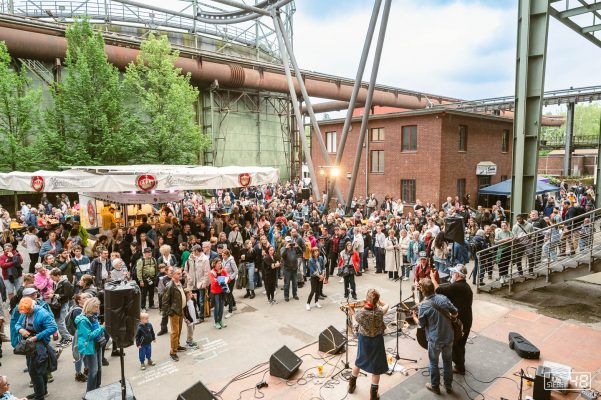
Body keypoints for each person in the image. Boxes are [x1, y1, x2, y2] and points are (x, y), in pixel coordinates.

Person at [412, 278, 458, 395]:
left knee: (433, 363)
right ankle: (448, 386)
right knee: (447, 362)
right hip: (448, 336)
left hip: (434, 339)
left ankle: (435, 387)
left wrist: (415, 318)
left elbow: (421, 325)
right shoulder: (443, 298)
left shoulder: (423, 306)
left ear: (423, 292)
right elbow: (455, 312)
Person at [347, 289, 389, 400]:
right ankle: (373, 396)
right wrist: (380, 302)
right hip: (377, 340)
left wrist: (351, 308)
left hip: (364, 340)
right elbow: (387, 305)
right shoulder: (380, 311)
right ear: (377, 300)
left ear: (367, 299)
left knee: (359, 361)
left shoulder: (361, 313)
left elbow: (355, 316)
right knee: (376, 367)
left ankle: (351, 386)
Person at [431, 264, 473, 376]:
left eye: (453, 272)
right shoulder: (465, 287)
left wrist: (432, 278)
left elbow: (438, 290)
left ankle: (460, 367)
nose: (452, 274)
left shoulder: (457, 286)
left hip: (460, 323)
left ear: (458, 274)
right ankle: (460, 365)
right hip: (467, 319)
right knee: (461, 344)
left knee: (456, 345)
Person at [15, 297, 58, 400]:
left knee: (34, 371)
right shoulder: (24, 311)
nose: (25, 314)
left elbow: (53, 328)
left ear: (32, 306)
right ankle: (42, 392)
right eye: (24, 312)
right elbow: (17, 324)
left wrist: (36, 337)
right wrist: (21, 330)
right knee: (40, 369)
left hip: (40, 344)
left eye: (27, 312)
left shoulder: (42, 313)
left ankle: (39, 396)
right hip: (29, 344)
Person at [75, 297, 105, 394]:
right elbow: (88, 336)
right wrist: (101, 328)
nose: (97, 309)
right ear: (90, 307)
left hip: (97, 343)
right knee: (93, 370)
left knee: (99, 367)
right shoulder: (82, 321)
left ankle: (97, 387)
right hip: (90, 346)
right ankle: (90, 392)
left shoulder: (93, 315)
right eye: (96, 307)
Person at [161, 268, 186, 361]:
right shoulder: (170, 286)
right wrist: (170, 313)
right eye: (178, 274)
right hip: (175, 312)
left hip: (180, 310)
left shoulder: (179, 283)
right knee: (175, 332)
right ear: (173, 275)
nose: (180, 275)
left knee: (179, 330)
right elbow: (165, 302)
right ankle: (173, 352)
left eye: (180, 273)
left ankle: (177, 346)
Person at [184, 244, 210, 322]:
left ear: (196, 251)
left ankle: (201, 317)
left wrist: (204, 284)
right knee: (197, 299)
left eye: (193, 251)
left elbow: (207, 273)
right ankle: (199, 314)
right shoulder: (195, 258)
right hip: (195, 283)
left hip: (201, 282)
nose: (192, 253)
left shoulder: (204, 259)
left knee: (201, 300)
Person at [48, 268, 74, 346]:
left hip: (63, 304)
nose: (51, 279)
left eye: (52, 277)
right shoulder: (57, 282)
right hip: (59, 305)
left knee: (61, 322)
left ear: (58, 275)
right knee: (58, 322)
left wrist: (54, 295)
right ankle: (64, 337)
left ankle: (68, 338)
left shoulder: (66, 283)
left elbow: (67, 295)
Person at [209, 258, 229, 329]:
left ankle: (220, 321)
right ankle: (216, 322)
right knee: (216, 308)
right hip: (215, 292)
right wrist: (221, 280)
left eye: (220, 263)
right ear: (215, 264)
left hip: (222, 292)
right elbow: (214, 283)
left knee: (221, 307)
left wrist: (220, 280)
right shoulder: (212, 272)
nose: (220, 265)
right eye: (218, 263)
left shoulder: (223, 270)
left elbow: (228, 279)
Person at [280, 236, 302, 302]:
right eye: (288, 241)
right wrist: (286, 248)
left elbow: (301, 252)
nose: (289, 242)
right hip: (287, 269)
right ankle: (286, 296)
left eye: (290, 241)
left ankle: (295, 295)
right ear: (285, 241)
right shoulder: (283, 248)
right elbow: (282, 255)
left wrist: (298, 246)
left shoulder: (294, 248)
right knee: (287, 284)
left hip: (294, 268)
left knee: (295, 283)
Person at [136, 248, 158, 312]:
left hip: (152, 279)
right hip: (144, 279)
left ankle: (151, 304)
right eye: (147, 252)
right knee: (144, 294)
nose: (149, 253)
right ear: (144, 253)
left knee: (152, 292)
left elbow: (156, 269)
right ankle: (143, 307)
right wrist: (140, 280)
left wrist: (155, 278)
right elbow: (139, 271)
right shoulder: (141, 261)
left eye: (150, 252)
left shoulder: (154, 259)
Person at [221, 249, 238, 315]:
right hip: (225, 279)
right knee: (228, 292)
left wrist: (230, 278)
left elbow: (236, 271)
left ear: (227, 255)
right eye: (222, 255)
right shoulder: (223, 260)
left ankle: (230, 310)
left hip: (231, 279)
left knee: (229, 293)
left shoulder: (231, 261)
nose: (223, 256)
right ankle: (234, 305)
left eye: (224, 255)